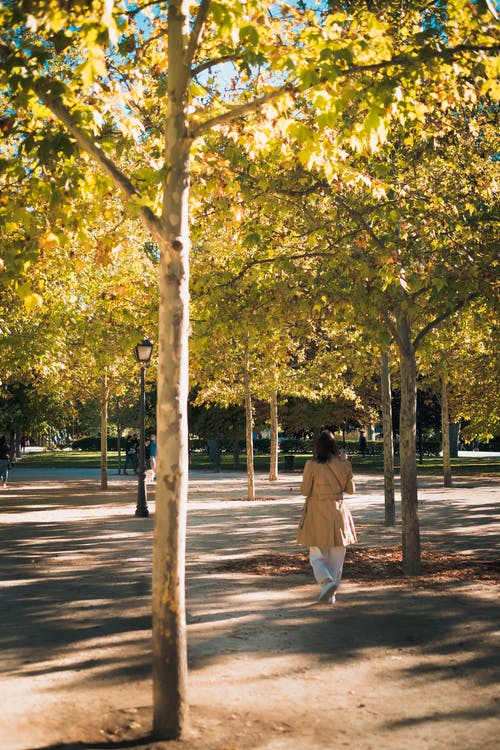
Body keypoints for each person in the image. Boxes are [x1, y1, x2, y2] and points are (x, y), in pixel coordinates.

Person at [297, 430, 357, 604]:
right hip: (338, 511)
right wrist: (346, 465)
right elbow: (351, 490)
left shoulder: (311, 465)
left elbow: (304, 491)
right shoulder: (344, 464)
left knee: (317, 554)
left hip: (316, 512)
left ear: (317, 447)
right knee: (337, 556)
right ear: (334, 446)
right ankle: (331, 593)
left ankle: (326, 582)